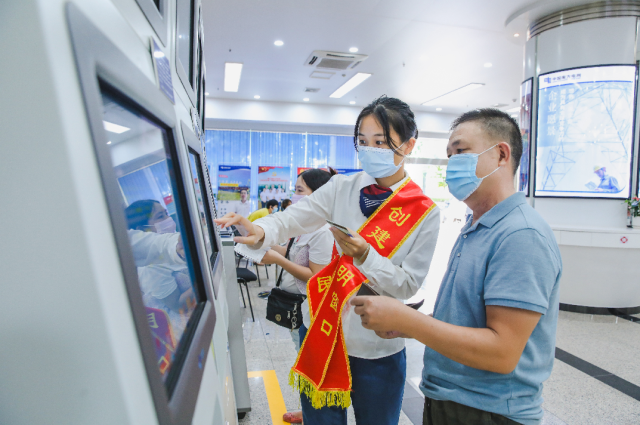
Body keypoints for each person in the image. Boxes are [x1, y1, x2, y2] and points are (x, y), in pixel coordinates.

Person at [216, 96, 440, 425]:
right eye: (362, 142)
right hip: (321, 328)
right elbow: (292, 219)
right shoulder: (341, 187)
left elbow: (406, 285)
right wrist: (259, 228)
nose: (370, 150)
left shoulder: (424, 213)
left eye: (381, 142)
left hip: (376, 346)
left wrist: (365, 256)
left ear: (408, 145)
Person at [351, 108, 562, 425]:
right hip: (452, 400)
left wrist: (410, 321)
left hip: (487, 411)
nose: (452, 165)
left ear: (501, 154)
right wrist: (410, 323)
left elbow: (502, 352)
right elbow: (468, 318)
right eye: (450, 156)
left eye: (461, 152)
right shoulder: (477, 225)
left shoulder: (520, 235)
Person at [258, 169, 335, 424]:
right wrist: (262, 244)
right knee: (303, 362)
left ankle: (314, 413)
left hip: (311, 308)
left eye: (300, 190)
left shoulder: (323, 230)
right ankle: (309, 411)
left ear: (319, 195)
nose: (295, 196)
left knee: (312, 366)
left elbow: (316, 277)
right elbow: (292, 251)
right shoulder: (305, 226)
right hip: (299, 309)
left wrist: (278, 259)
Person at [125, 200, 196, 339]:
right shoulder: (150, 267)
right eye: (160, 216)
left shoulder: (175, 247)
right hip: (183, 332)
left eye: (166, 213)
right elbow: (177, 306)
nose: (168, 219)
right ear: (142, 230)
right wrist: (203, 278)